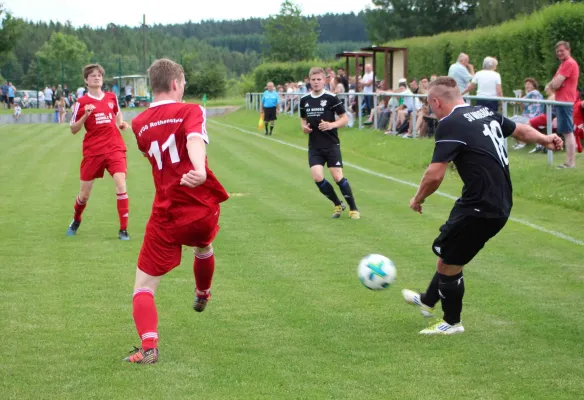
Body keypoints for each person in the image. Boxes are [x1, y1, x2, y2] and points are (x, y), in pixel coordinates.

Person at [402, 77, 563, 335]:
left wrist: (417, 199)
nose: (431, 110)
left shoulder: (449, 124)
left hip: (481, 206)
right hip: (495, 201)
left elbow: (434, 175)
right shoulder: (484, 111)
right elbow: (520, 130)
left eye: (430, 105)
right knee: (450, 254)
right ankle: (428, 300)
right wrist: (546, 139)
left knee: (449, 264)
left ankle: (452, 323)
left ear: (435, 101)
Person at [124, 58, 229, 364]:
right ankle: (202, 292)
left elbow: (153, 151)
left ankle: (149, 347)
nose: (184, 88)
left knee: (143, 287)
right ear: (175, 84)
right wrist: (198, 169)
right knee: (204, 245)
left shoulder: (138, 123)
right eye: (183, 83)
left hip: (167, 213)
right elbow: (195, 139)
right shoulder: (190, 110)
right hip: (200, 209)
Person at [67, 64, 131, 240]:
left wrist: (121, 123)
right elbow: (73, 129)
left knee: (121, 183)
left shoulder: (111, 97)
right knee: (84, 194)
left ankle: (123, 230)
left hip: (114, 147)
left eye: (99, 75)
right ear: (86, 80)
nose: (96, 78)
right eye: (92, 76)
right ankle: (76, 219)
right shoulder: (81, 103)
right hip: (93, 151)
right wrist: (85, 116)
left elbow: (117, 114)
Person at [299, 67, 360, 220]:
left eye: (319, 79)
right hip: (314, 146)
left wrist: (331, 125)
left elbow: (345, 119)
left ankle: (353, 208)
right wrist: (304, 128)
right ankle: (337, 204)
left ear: (325, 81)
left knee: (338, 177)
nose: (316, 82)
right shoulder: (304, 100)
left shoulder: (331, 98)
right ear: (309, 81)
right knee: (317, 177)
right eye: (313, 80)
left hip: (331, 144)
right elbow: (303, 119)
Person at [545, 41, 580, 169]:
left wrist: (555, 84)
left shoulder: (569, 63)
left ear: (568, 50)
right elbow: (550, 86)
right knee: (566, 132)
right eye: (558, 51)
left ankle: (570, 163)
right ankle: (569, 162)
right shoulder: (563, 64)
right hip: (561, 101)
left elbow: (554, 85)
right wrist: (555, 84)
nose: (559, 53)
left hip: (565, 102)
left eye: (562, 50)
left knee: (568, 132)